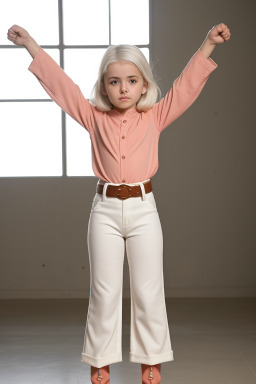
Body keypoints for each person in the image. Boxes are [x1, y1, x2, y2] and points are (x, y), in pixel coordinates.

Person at [7, 22, 231, 384]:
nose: (123, 88)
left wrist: (208, 44)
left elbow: (186, 86)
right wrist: (31, 44)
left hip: (144, 209)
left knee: (148, 289)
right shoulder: (93, 117)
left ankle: (152, 361)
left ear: (144, 84)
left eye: (131, 80)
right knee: (104, 291)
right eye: (114, 81)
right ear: (104, 87)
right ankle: (100, 360)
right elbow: (62, 87)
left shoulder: (155, 116)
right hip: (105, 211)